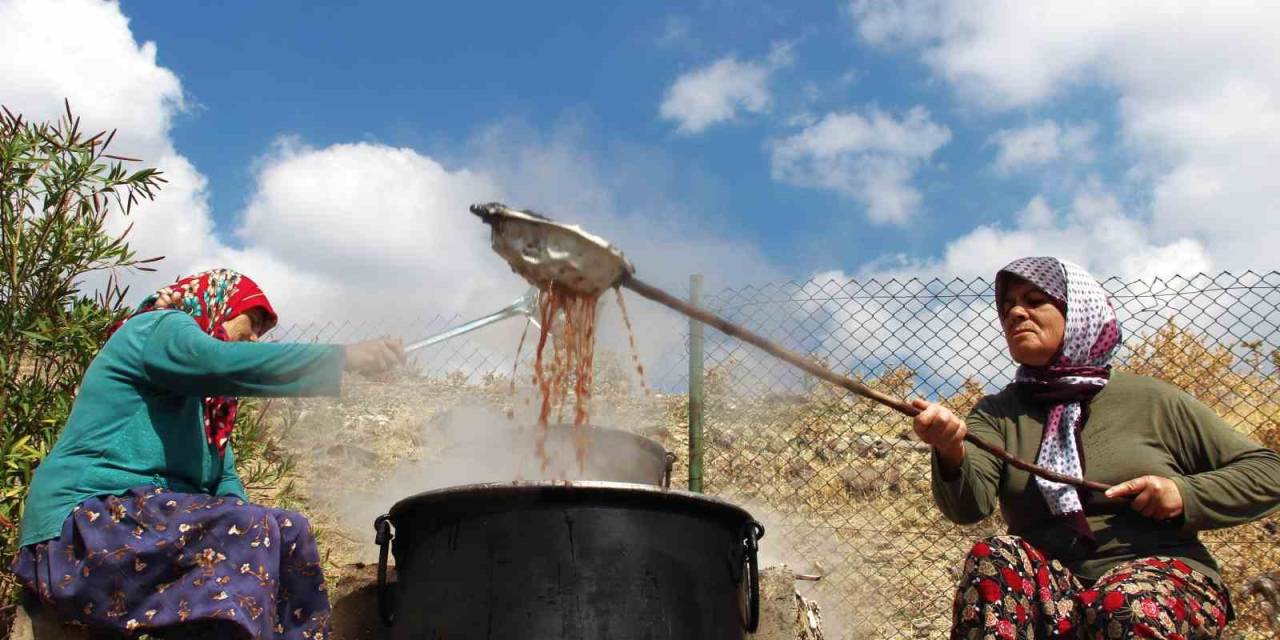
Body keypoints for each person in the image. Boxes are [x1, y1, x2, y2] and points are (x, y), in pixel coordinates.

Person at [11, 269, 404, 639]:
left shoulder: (208, 413)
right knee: (251, 529)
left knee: (288, 529)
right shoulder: (158, 327)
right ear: (218, 304)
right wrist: (341, 358)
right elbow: (217, 361)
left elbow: (227, 487)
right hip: (82, 528)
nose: (253, 342)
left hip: (145, 527)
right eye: (250, 325)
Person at [911, 256, 1280, 639]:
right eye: (1007, 308)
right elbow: (968, 506)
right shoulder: (998, 413)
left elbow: (1268, 471)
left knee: (1122, 604)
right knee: (994, 558)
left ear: (1079, 312)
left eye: (1035, 300)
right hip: (1054, 587)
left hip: (1157, 574)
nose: (1016, 313)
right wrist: (950, 449)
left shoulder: (1151, 399)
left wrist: (1182, 493)